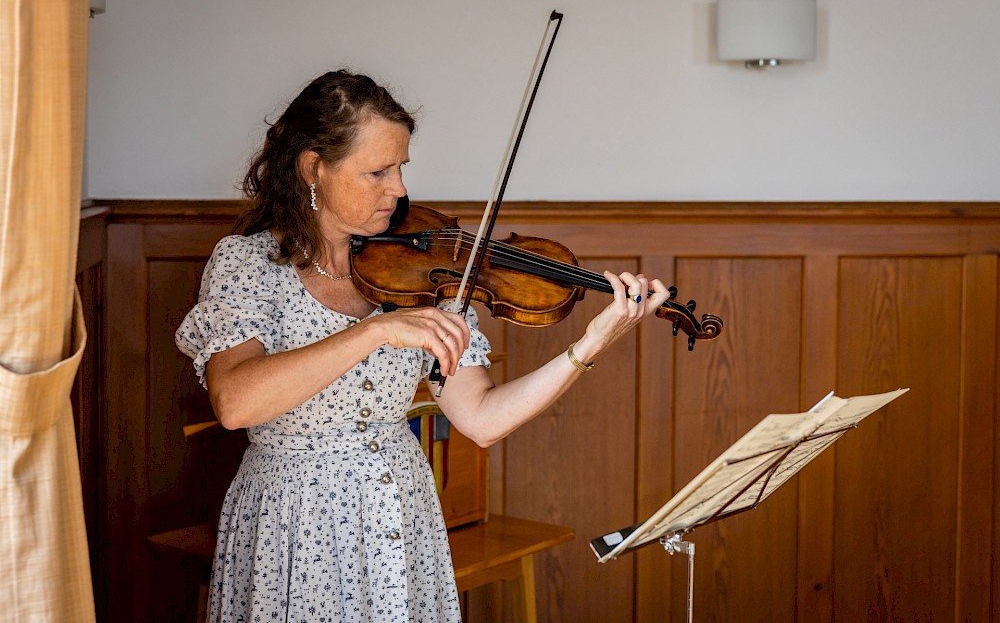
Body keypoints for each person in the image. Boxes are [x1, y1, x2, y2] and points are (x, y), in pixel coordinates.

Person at [175, 69, 671, 622]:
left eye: (401, 167)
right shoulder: (246, 265)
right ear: (314, 167)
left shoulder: (425, 272)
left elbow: (481, 418)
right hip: (292, 520)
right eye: (377, 171)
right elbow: (236, 402)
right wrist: (372, 331)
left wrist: (588, 344)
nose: (400, 189)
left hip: (398, 511)